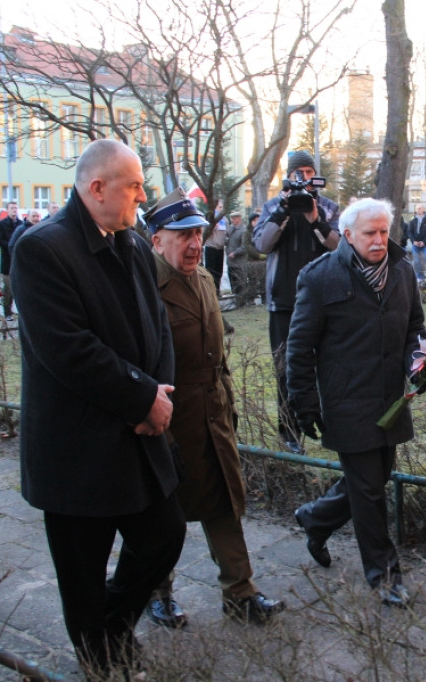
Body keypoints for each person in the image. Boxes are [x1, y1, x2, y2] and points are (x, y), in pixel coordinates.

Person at [11, 139, 185, 677]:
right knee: (82, 575)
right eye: (134, 185)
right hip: (78, 448)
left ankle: (109, 633)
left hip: (140, 434)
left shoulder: (131, 242)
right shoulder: (41, 249)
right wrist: (140, 397)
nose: (142, 195)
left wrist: (159, 395)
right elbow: (68, 349)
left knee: (163, 538)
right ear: (97, 187)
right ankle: (99, 660)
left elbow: (157, 327)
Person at [142, 188, 284, 629]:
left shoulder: (204, 279)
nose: (194, 243)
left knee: (225, 504)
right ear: (156, 240)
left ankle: (240, 593)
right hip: (169, 418)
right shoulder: (144, 288)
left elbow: (216, 355)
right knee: (164, 515)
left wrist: (227, 403)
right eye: (182, 234)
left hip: (213, 414)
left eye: (199, 233)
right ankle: (157, 592)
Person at [288, 198, 426, 609]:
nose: (380, 240)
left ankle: (316, 518)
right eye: (370, 233)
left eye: (384, 231)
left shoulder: (402, 271)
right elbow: (299, 346)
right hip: (346, 400)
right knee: (368, 491)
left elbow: (414, 328)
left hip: (390, 399)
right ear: (348, 235)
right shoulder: (319, 276)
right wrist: (304, 403)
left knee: (370, 481)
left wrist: (419, 364)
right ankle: (384, 577)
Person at [254, 150, 340, 455]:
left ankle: (328, 425)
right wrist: (283, 211)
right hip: (284, 302)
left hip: (324, 301)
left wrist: (316, 220)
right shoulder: (273, 206)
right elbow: (262, 244)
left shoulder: (328, 207)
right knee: (286, 369)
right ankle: (289, 431)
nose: (303, 178)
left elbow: (341, 246)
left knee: (327, 365)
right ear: (288, 176)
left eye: (308, 172)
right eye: (297, 173)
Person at [0, 202, 23, 320]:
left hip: (19, 260)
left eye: (16, 208)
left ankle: (20, 312)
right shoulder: (1, 224)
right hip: (7, 260)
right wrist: (12, 246)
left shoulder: (21, 224)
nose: (14, 210)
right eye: (12, 208)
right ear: (7, 210)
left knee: (20, 287)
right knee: (8, 288)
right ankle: (7, 312)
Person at [406, 204, 426, 283]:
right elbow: (409, 232)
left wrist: (424, 242)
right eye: (417, 209)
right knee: (416, 261)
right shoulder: (413, 220)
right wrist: (413, 241)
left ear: (423, 209)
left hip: (424, 245)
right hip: (415, 244)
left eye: (420, 208)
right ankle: (420, 277)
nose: (418, 210)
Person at [204, 210, 229, 295]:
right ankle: (211, 292)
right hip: (211, 247)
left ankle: (217, 291)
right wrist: (212, 227)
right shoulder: (209, 219)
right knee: (211, 272)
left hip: (220, 248)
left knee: (219, 271)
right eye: (218, 207)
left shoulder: (225, 220)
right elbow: (205, 233)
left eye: (221, 207)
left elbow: (227, 233)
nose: (220, 209)